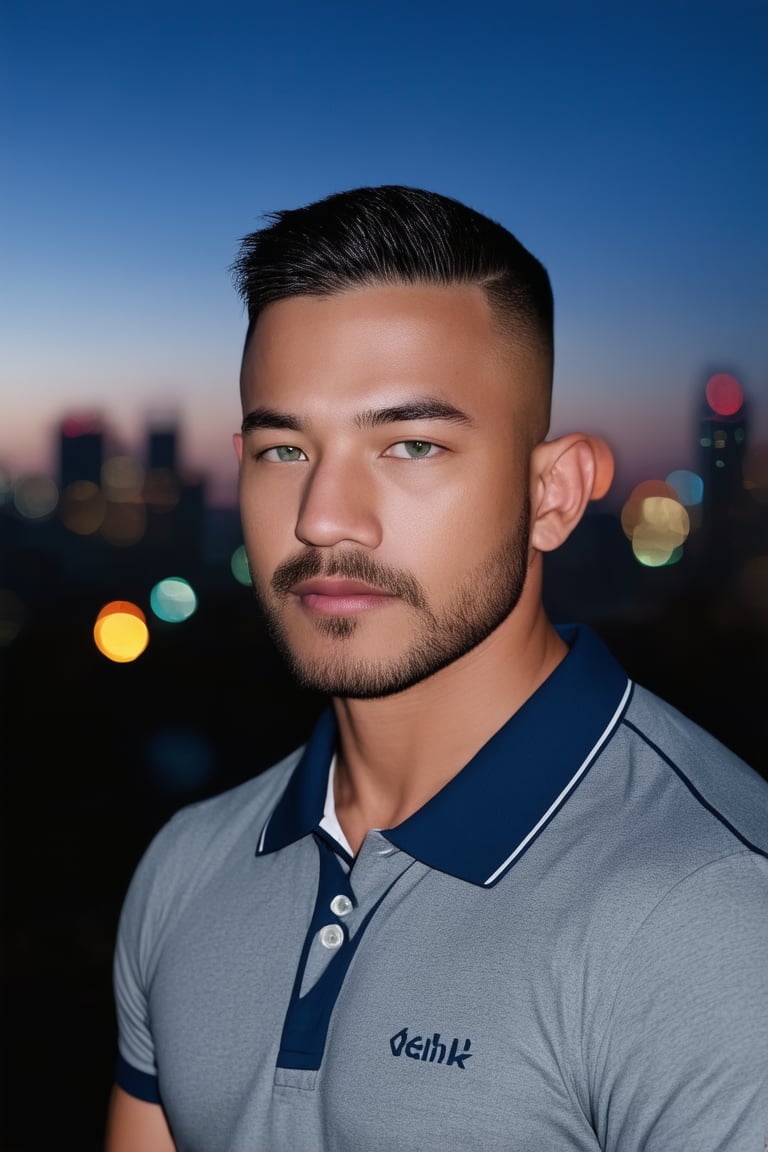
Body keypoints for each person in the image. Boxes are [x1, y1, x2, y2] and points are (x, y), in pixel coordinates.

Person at [104, 185, 768, 1152]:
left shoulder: (711, 917)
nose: (324, 516)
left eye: (411, 445)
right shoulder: (188, 865)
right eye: (284, 447)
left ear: (552, 493)